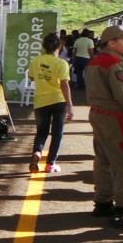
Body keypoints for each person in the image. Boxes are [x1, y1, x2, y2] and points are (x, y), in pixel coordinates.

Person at [84, 25, 123, 232]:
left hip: (98, 114)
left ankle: (103, 202)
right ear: (112, 43)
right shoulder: (116, 64)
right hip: (116, 117)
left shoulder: (95, 62)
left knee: (103, 159)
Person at [27, 32, 75, 173]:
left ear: (44, 46)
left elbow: (31, 78)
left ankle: (37, 153)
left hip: (41, 101)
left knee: (41, 132)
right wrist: (70, 106)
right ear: (60, 47)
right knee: (57, 133)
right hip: (59, 101)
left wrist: (43, 78)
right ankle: (50, 164)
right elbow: (64, 85)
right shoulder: (62, 63)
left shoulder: (36, 61)